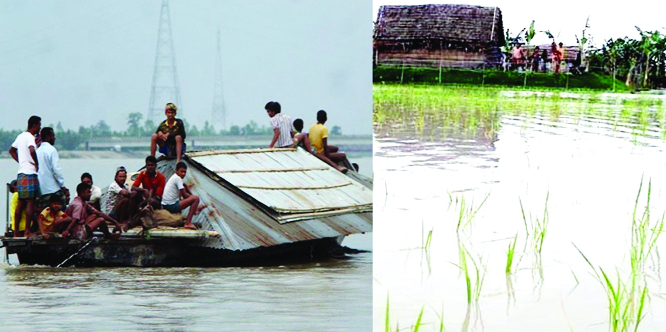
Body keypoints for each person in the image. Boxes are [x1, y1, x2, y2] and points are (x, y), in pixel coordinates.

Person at [8, 115, 41, 237]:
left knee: (21, 202)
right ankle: (27, 230)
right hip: (30, 173)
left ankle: (16, 231)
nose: (39, 128)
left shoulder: (20, 136)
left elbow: (11, 150)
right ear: (34, 125)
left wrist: (21, 161)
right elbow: (32, 150)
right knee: (30, 202)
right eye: (39, 126)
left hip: (21, 173)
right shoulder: (29, 137)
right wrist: (36, 163)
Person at [162, 161, 205, 230]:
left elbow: (184, 189)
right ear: (176, 171)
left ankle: (195, 210)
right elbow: (185, 196)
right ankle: (188, 222)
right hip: (170, 206)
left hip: (167, 204)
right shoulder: (177, 178)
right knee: (196, 198)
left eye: (185, 172)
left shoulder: (175, 177)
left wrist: (188, 191)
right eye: (181, 172)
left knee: (190, 195)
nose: (183, 174)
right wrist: (193, 200)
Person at [36, 127, 70, 211]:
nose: (54, 138)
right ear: (47, 137)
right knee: (62, 213)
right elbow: (56, 170)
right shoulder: (51, 150)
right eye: (53, 136)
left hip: (42, 191)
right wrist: (62, 186)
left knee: (46, 216)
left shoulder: (37, 151)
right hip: (53, 190)